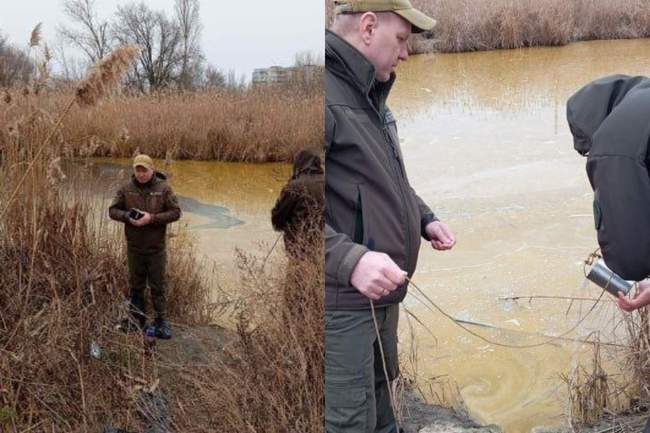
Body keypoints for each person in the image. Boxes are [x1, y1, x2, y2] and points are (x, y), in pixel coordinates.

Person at [325, 1, 456, 431]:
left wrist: (424, 217)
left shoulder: (371, 95)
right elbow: (294, 216)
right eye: (401, 40)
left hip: (382, 297)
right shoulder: (325, 94)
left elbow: (385, 182)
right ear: (367, 28)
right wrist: (352, 260)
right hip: (342, 305)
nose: (405, 54)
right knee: (350, 420)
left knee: (383, 408)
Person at [109, 154, 181, 339]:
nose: (141, 174)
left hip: (156, 249)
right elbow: (112, 211)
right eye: (137, 170)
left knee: (158, 286)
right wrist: (127, 217)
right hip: (134, 248)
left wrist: (152, 218)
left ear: (152, 170)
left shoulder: (164, 188)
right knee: (136, 286)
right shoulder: (126, 189)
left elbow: (175, 213)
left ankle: (160, 323)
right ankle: (137, 321)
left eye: (144, 170)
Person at [271, 149, 325, 259]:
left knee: (297, 275)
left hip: (300, 251)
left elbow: (277, 218)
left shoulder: (295, 187)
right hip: (327, 249)